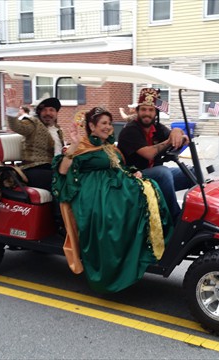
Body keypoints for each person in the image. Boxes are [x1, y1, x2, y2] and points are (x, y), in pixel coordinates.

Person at [52, 106, 173, 293]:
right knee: (130, 200)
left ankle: (142, 243)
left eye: (109, 123)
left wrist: (132, 172)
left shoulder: (109, 146)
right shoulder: (82, 145)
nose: (108, 127)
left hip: (112, 185)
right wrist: (74, 144)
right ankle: (119, 255)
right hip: (93, 191)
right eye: (103, 123)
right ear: (91, 126)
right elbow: (63, 170)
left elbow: (118, 167)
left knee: (149, 187)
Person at [117, 88, 193, 222]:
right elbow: (149, 154)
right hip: (133, 178)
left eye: (151, 110)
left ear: (156, 112)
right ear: (137, 111)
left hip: (154, 176)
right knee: (163, 172)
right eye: (144, 109)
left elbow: (174, 136)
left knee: (191, 172)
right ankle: (176, 219)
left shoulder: (158, 128)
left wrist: (178, 132)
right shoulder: (130, 131)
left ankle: (196, 216)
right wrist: (170, 140)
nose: (147, 113)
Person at [4, 88, 65, 190]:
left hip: (54, 168)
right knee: (60, 181)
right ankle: (59, 206)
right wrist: (12, 111)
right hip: (34, 169)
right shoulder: (33, 124)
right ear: (39, 113)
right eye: (44, 110)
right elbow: (16, 126)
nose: (48, 113)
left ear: (56, 113)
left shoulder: (58, 130)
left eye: (51, 110)